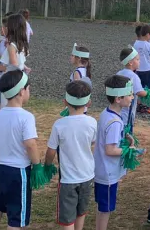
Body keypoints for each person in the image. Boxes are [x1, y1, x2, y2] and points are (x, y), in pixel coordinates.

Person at [0, 70, 38, 230]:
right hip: (19, 172)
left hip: (0, 169)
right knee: (16, 216)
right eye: (28, 88)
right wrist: (37, 165)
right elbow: (30, 144)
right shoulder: (26, 117)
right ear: (22, 91)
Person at [45, 81, 97, 230]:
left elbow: (51, 151)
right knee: (81, 212)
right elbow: (93, 142)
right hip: (87, 175)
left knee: (68, 219)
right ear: (89, 102)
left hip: (68, 179)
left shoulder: (59, 124)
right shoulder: (92, 122)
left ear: (65, 102)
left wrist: (47, 166)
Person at [95, 75, 135, 230]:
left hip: (102, 169)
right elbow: (110, 149)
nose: (132, 97)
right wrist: (129, 150)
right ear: (119, 98)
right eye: (130, 94)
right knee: (105, 209)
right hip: (108, 173)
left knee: (102, 206)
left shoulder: (106, 114)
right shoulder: (115, 122)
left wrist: (125, 136)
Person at [116, 48, 148, 133]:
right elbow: (139, 92)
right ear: (130, 62)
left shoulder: (119, 73)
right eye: (137, 59)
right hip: (127, 112)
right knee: (127, 133)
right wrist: (148, 92)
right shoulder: (134, 76)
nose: (139, 61)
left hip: (117, 110)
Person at [134, 24, 150, 90]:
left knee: (139, 87)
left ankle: (139, 100)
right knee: (148, 88)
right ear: (148, 34)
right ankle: (147, 100)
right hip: (147, 69)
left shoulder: (135, 44)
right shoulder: (148, 45)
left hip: (138, 69)